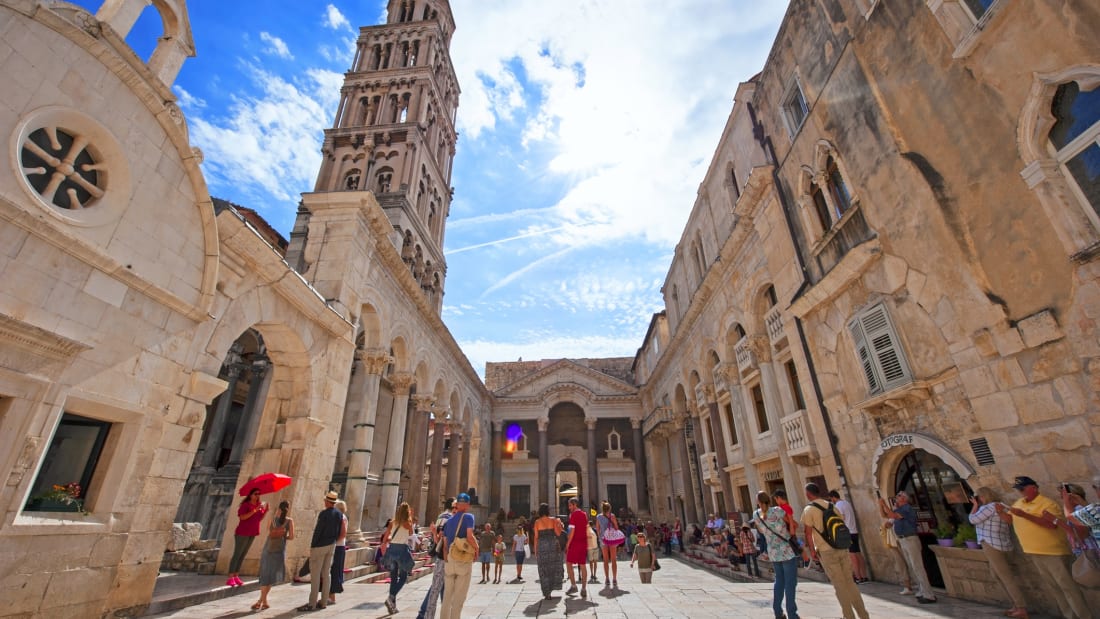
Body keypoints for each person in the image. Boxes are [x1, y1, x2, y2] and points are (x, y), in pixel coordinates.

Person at [1001, 476, 1088, 619]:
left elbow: (1052, 525)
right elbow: (1010, 520)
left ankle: (1083, 616)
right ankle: (1069, 616)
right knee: (1055, 588)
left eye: (1023, 489)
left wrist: (1024, 515)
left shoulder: (1047, 503)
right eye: (1019, 489)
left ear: (1034, 488)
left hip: (1052, 552)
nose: (1021, 492)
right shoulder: (1018, 503)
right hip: (1033, 551)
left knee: (1068, 587)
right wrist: (1000, 512)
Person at [802, 483, 868, 619]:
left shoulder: (809, 509)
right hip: (841, 547)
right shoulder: (832, 506)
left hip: (826, 551)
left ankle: (848, 616)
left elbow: (808, 533)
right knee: (849, 582)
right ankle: (863, 615)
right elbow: (841, 523)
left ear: (808, 494)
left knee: (839, 585)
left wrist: (812, 551)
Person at [968, 487, 1028, 619]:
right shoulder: (1002, 505)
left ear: (982, 496)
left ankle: (1020, 607)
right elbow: (1009, 520)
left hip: (991, 544)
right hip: (1004, 544)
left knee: (1005, 577)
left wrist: (975, 506)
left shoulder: (987, 507)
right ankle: (1015, 605)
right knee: (997, 574)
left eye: (978, 497)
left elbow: (972, 519)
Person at [879, 491, 936, 604]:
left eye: (899, 496)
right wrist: (880, 505)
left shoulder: (907, 508)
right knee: (912, 566)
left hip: (910, 539)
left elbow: (893, 516)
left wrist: (884, 504)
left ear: (905, 499)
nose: (897, 497)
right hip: (903, 539)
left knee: (917, 566)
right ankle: (921, 590)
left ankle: (929, 594)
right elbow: (885, 516)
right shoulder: (898, 509)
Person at [754, 490, 800, 619]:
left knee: (779, 581)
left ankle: (777, 611)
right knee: (790, 583)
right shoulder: (777, 511)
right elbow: (793, 524)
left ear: (758, 502)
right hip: (786, 550)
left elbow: (761, 533)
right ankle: (792, 614)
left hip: (773, 552)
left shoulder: (756, 515)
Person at [300, 490, 343, 612]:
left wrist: (313, 546)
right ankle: (324, 601)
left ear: (328, 502)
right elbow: (339, 531)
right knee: (326, 573)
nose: (324, 502)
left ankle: (312, 603)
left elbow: (318, 531)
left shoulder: (324, 514)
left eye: (325, 500)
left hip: (320, 546)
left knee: (315, 575)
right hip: (331, 545)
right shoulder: (339, 514)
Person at [440, 493, 478, 619]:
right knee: (459, 597)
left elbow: (445, 546)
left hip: (449, 560)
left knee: (447, 596)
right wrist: (477, 548)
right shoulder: (468, 517)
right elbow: (469, 536)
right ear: (467, 504)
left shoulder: (449, 521)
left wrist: (447, 560)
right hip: (462, 560)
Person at [416, 497, 455, 619]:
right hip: (443, 556)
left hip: (441, 554)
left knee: (443, 586)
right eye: (456, 506)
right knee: (437, 587)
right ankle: (424, 614)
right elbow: (441, 539)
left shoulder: (441, 516)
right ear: (452, 507)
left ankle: (445, 614)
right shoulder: (448, 518)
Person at [253, 500, 294, 611]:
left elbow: (268, 531)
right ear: (288, 509)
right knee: (272, 575)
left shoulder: (272, 520)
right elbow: (291, 537)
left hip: (268, 548)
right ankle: (262, 600)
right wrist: (283, 536)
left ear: (279, 509)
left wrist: (276, 517)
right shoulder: (289, 521)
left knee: (265, 574)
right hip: (279, 550)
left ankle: (261, 600)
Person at [380, 501, 416, 614]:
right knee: (404, 576)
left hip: (392, 550)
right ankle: (391, 598)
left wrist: (388, 544)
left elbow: (385, 538)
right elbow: (411, 535)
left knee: (394, 577)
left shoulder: (392, 522)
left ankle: (392, 606)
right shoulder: (408, 524)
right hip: (402, 551)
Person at [228, 488, 268, 587]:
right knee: (237, 554)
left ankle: (236, 575)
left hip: (252, 532)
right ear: (250, 495)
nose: (257, 495)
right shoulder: (246, 505)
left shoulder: (258, 506)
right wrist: (254, 510)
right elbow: (242, 517)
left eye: (259, 494)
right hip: (242, 532)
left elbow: (259, 519)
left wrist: (266, 511)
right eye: (255, 494)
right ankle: (230, 577)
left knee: (243, 554)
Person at [828, 490, 867, 583]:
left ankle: (858, 577)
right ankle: (864, 576)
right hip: (854, 531)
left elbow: (842, 518)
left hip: (847, 533)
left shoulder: (838, 505)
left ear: (833, 497)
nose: (831, 501)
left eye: (831, 499)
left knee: (852, 556)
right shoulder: (846, 503)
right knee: (858, 554)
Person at [532, 502, 564, 600]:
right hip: (552, 546)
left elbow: (536, 537)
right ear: (548, 511)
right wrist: (559, 525)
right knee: (553, 568)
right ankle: (552, 588)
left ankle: (547, 593)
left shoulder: (537, 522)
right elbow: (558, 534)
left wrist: (535, 549)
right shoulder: (553, 520)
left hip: (542, 547)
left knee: (543, 569)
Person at [564, 497, 590, 598]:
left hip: (575, 543)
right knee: (583, 565)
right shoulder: (584, 514)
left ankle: (574, 585)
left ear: (575, 504)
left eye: (570, 505)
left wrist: (567, 544)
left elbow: (572, 531)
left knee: (568, 563)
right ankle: (583, 588)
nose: (569, 507)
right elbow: (586, 527)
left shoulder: (573, 515)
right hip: (583, 542)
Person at [597, 501, 623, 586]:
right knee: (613, 559)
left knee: (605, 560)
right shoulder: (612, 516)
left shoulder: (598, 517)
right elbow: (616, 527)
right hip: (612, 538)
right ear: (609, 508)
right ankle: (614, 579)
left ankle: (607, 578)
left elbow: (598, 529)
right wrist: (613, 523)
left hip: (603, 539)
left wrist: (600, 537)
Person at [328, 499, 348, 606]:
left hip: (338, 547)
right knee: (333, 571)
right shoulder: (340, 517)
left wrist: (333, 542)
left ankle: (331, 597)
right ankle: (329, 596)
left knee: (334, 571)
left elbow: (343, 534)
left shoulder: (341, 517)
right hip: (338, 547)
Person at [586, 519, 600, 584]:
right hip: (595, 547)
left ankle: (592, 574)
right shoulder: (595, 530)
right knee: (595, 562)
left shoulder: (587, 531)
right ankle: (594, 574)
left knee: (591, 562)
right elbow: (598, 538)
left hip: (590, 548)